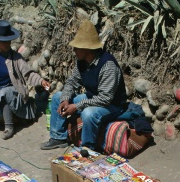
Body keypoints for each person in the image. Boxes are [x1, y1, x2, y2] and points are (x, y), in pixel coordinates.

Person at [40, 19, 127, 150]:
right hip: (92, 98)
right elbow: (71, 82)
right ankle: (58, 137)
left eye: (77, 48)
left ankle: (88, 147)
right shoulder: (82, 62)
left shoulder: (108, 65)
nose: (74, 50)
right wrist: (65, 99)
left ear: (87, 49)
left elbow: (105, 99)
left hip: (112, 105)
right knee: (58, 96)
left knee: (88, 113)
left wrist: (76, 106)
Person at [0, 20, 50, 140]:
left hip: (13, 90)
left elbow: (29, 73)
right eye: (3, 42)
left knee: (4, 93)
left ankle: (9, 127)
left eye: (8, 41)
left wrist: (41, 81)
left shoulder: (16, 58)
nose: (6, 44)